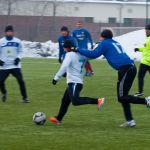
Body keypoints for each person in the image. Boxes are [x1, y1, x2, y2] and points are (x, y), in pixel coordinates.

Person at [77, 29, 150, 127]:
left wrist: (78, 49)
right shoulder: (113, 42)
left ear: (103, 37)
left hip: (126, 69)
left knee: (122, 97)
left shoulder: (105, 43)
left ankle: (146, 101)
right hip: (128, 68)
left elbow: (93, 54)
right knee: (123, 97)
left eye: (100, 37)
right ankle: (130, 121)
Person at [49, 40, 105, 124]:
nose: (64, 50)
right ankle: (58, 119)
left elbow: (64, 66)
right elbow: (93, 55)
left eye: (64, 48)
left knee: (75, 101)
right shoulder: (82, 53)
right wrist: (97, 47)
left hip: (74, 82)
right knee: (65, 100)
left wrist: (56, 78)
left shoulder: (69, 55)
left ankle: (98, 101)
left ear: (67, 48)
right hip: (76, 82)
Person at [0, 25, 29, 103]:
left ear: (13, 32)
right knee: (0, 81)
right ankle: (4, 93)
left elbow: (21, 51)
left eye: (11, 31)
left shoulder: (17, 41)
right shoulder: (1, 41)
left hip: (15, 66)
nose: (9, 33)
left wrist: (18, 58)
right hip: (4, 66)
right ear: (5, 32)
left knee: (21, 81)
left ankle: (25, 98)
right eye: (8, 31)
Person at [134, 24, 150, 97]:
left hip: (145, 62)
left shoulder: (149, 40)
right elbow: (146, 49)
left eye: (147, 30)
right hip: (146, 62)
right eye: (145, 30)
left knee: (140, 76)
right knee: (140, 76)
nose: (145, 31)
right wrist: (138, 49)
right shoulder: (148, 39)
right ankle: (140, 92)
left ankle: (140, 92)